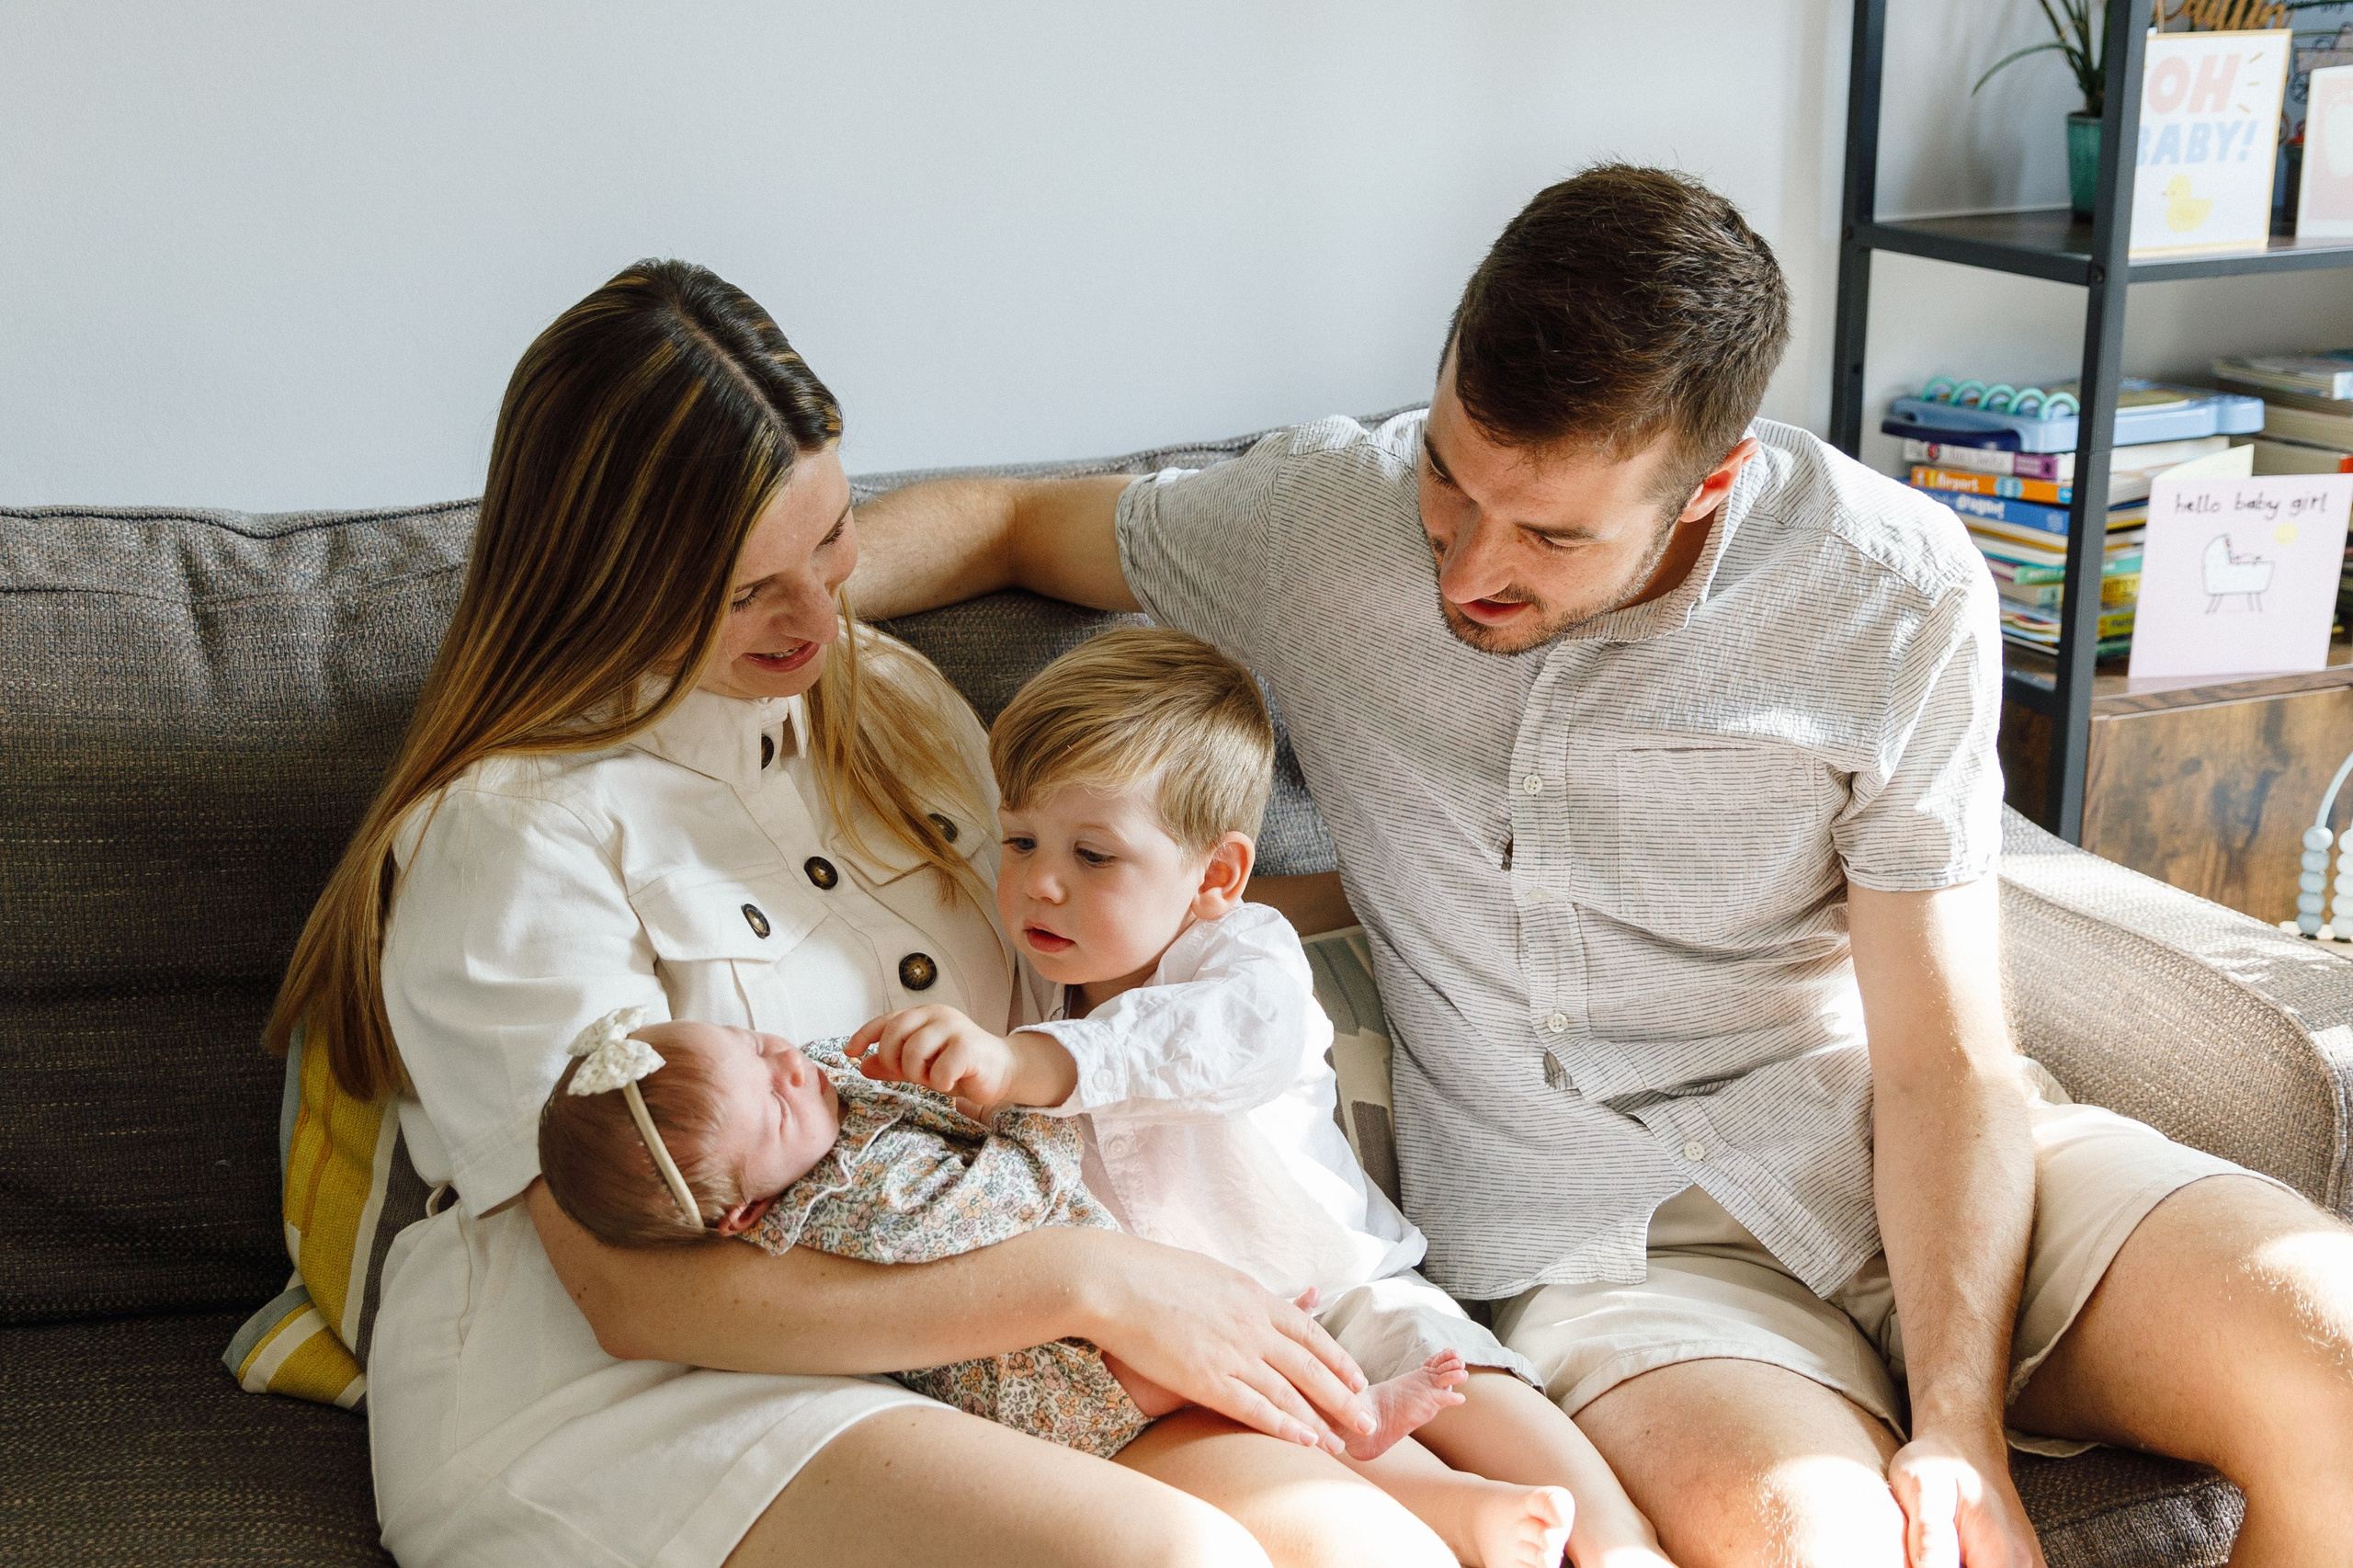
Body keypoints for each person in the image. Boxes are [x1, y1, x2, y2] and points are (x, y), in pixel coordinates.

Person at [850, 163, 2353, 1567]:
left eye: (1550, 536)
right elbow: (1002, 516)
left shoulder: (1889, 592)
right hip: (1605, 1243)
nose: (1466, 567)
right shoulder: (1321, 519)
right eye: (1451, 479)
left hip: (1894, 1141)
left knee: (2330, 1355)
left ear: (1709, 484)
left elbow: (1943, 1054)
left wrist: (1961, 1430)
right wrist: (720, 601)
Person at [266, 258, 1484, 1568]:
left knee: (1373, 1546)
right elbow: (625, 1289)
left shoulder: (895, 703)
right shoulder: (512, 830)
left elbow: (1126, 959)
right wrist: (1096, 1281)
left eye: (834, 538)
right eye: (745, 591)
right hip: (648, 1388)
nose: (819, 613)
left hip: (993, 1364)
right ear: (607, 578)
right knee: (1178, 1560)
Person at [536, 1012, 1567, 1566]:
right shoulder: (858, 1198)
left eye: (753, 1044)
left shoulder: (822, 1121)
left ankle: (1450, 1493)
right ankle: (1402, 1451)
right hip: (1061, 1379)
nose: (788, 1067)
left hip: (1092, 1322)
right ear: (741, 1213)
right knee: (1253, 1388)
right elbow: (1006, 1195)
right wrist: (1024, 1105)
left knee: (1274, 1385)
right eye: (769, 1095)